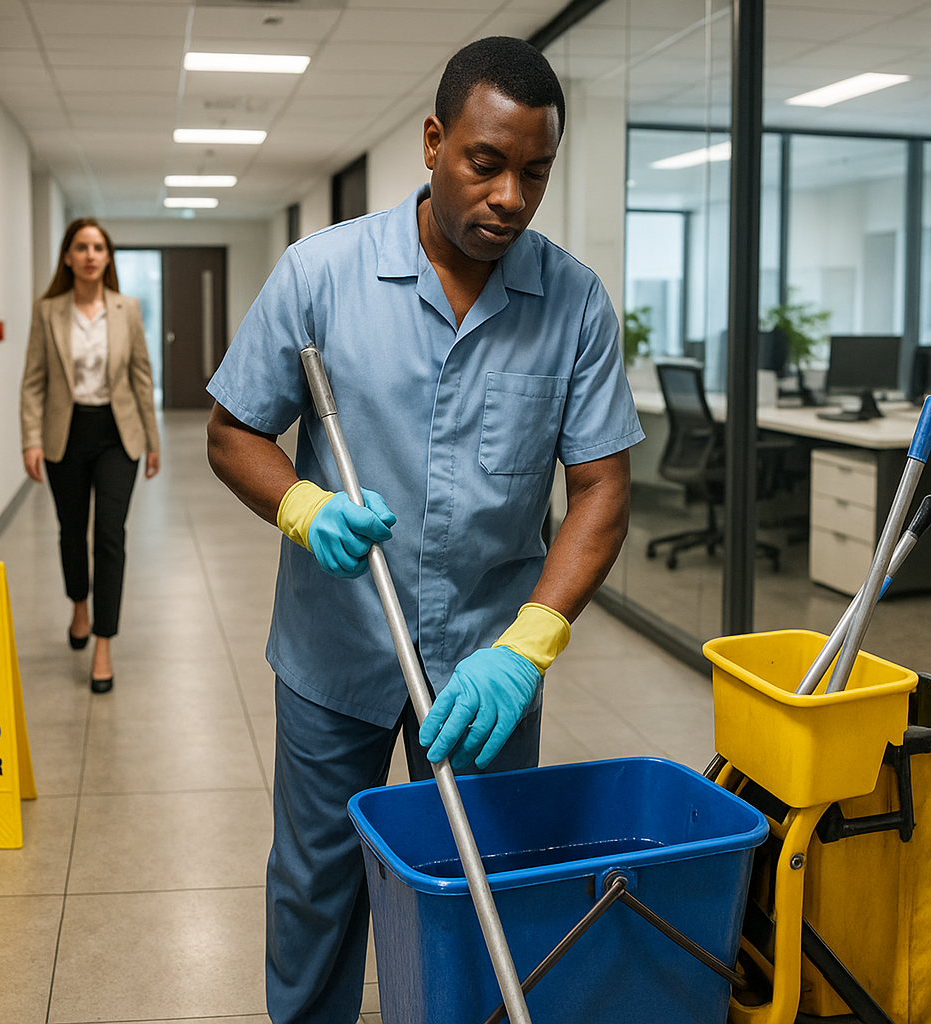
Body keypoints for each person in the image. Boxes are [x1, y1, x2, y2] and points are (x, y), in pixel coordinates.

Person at [206, 36, 643, 1023]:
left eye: (535, 173)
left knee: (481, 884)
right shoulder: (321, 275)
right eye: (486, 163)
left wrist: (529, 646)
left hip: (489, 660)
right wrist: (302, 505)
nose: (510, 198)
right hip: (337, 648)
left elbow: (602, 490)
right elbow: (234, 431)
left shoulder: (573, 303)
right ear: (435, 142)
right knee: (318, 888)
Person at [21, 217, 160, 694]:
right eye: (81, 247)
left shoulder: (127, 309)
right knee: (71, 530)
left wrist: (153, 440)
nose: (90, 255)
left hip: (118, 434)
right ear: (68, 257)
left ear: (108, 257)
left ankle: (104, 642)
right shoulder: (48, 312)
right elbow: (34, 381)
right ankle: (79, 603)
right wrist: (31, 439)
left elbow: (141, 375)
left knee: (109, 535)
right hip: (66, 434)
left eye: (98, 247)